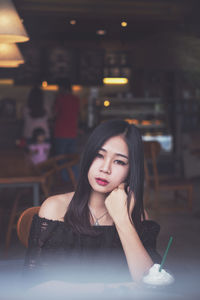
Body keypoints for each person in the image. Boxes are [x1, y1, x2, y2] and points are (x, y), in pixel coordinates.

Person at [24, 119, 161, 285]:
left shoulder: (137, 216)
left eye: (119, 161)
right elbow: (33, 285)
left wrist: (123, 221)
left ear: (131, 170)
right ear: (88, 156)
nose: (105, 168)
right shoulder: (55, 208)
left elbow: (151, 284)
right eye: (99, 155)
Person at [53, 78, 80, 181]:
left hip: (60, 133)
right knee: (72, 160)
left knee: (61, 160)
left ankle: (65, 183)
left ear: (62, 88)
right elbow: (78, 115)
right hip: (72, 133)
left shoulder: (59, 98)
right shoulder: (76, 99)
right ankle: (75, 182)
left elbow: (54, 113)